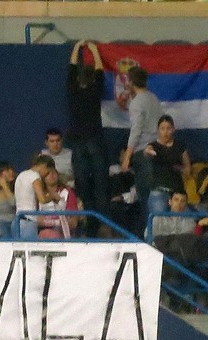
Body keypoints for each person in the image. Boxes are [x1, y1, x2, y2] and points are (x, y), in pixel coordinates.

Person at [67, 40, 110, 228]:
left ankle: (87, 226)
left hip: (78, 142)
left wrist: (78, 46)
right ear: (92, 79)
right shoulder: (95, 90)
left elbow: (71, 67)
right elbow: (101, 70)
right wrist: (94, 50)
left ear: (78, 79)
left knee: (83, 187)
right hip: (94, 140)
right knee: (101, 186)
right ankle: (104, 226)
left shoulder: (72, 91)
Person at [120, 66, 163, 233]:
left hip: (143, 154)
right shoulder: (153, 98)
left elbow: (136, 129)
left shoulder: (137, 103)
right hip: (156, 152)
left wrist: (127, 156)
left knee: (146, 198)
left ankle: (149, 236)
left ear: (131, 82)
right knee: (155, 197)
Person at [144, 115, 192, 214]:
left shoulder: (180, 146)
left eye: (168, 128)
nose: (165, 132)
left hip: (177, 193)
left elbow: (187, 168)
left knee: (187, 220)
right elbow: (147, 151)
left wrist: (179, 169)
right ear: (158, 130)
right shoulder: (153, 145)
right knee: (160, 220)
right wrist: (149, 152)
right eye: (162, 129)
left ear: (173, 129)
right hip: (159, 191)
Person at [14, 154, 57, 240]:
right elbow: (42, 199)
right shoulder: (35, 177)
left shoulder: (21, 175)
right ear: (44, 166)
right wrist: (53, 196)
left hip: (17, 221)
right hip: (28, 222)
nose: (46, 175)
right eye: (47, 172)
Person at [37, 166, 79, 239]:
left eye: (54, 172)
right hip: (42, 233)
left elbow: (74, 222)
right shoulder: (39, 194)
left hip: (64, 234)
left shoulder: (67, 192)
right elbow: (36, 220)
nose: (52, 175)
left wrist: (54, 222)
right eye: (48, 173)